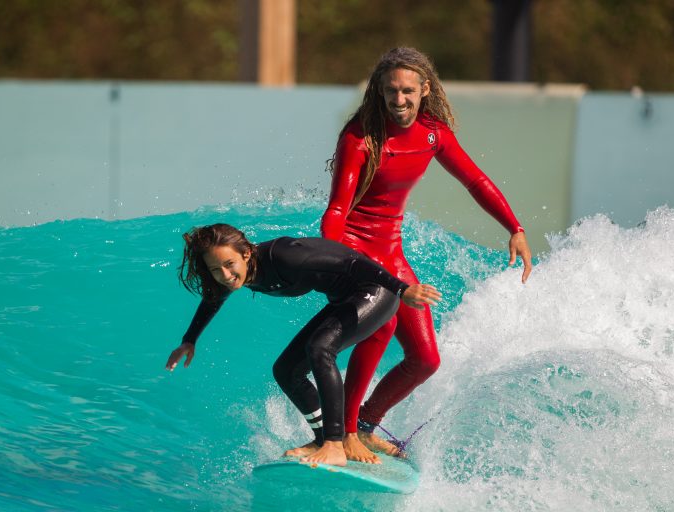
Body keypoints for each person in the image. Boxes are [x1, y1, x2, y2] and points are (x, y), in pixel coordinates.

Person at [320, 47, 533, 463]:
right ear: (378, 92)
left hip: (390, 250)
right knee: (380, 329)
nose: (398, 100)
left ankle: (365, 424)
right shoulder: (361, 135)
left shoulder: (433, 134)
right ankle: (344, 433)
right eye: (389, 92)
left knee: (425, 359)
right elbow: (337, 210)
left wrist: (515, 227)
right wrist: (334, 261)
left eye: (406, 92)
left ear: (425, 90)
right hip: (355, 250)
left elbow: (475, 181)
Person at [166, 223, 442, 466]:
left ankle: (336, 443)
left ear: (246, 253)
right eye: (216, 270)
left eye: (229, 265)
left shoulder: (286, 257)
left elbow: (354, 265)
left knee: (320, 347)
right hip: (346, 299)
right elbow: (214, 297)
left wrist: (402, 289)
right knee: (286, 370)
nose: (225, 275)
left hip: (377, 290)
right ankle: (324, 438)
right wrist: (189, 340)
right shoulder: (236, 274)